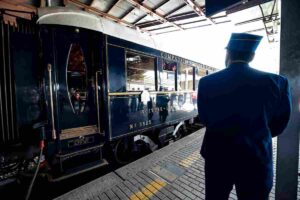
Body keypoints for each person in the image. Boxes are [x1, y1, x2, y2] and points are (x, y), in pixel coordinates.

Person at [197, 33, 291, 200]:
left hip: (218, 157)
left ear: (228, 54)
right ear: (252, 56)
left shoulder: (207, 82)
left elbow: (205, 118)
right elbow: (280, 123)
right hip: (255, 158)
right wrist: (258, 133)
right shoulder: (277, 82)